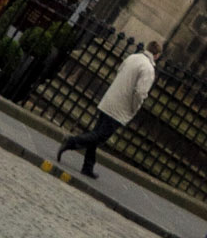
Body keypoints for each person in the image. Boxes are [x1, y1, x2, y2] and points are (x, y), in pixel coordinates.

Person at [57, 38, 161, 179]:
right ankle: (71, 142)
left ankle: (88, 166)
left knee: (96, 133)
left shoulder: (133, 57)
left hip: (110, 100)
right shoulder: (149, 69)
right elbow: (140, 93)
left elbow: (119, 71)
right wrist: (134, 108)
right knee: (100, 136)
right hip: (121, 108)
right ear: (157, 55)